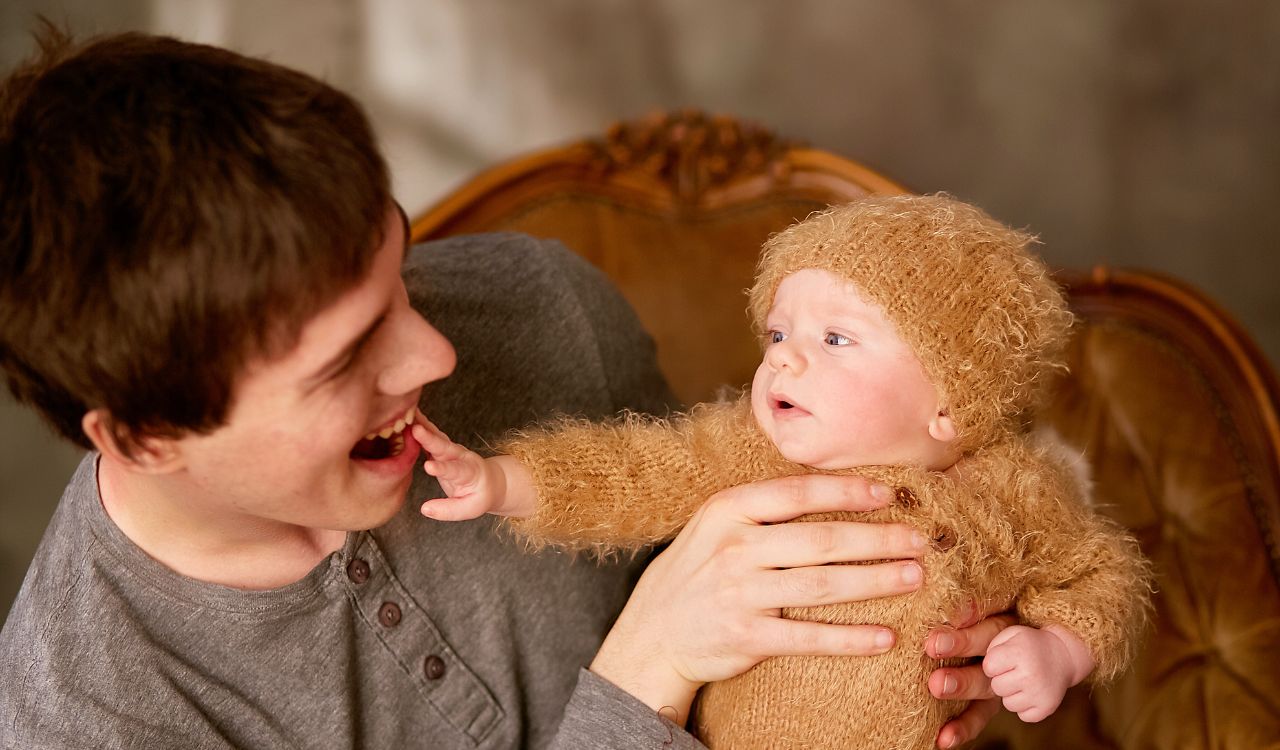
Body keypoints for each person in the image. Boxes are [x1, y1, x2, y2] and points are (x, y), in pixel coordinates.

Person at [0, 29, 1008, 750]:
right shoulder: (87, 712)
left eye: (396, 275)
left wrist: (935, 648)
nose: (433, 354)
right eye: (346, 358)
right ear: (147, 437)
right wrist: (643, 672)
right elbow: (672, 631)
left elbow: (756, 557)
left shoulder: (541, 306)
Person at [411, 195, 1152, 748]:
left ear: (949, 405)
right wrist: (507, 482)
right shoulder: (753, 453)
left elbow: (1100, 574)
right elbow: (637, 470)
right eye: (778, 331)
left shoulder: (1016, 493)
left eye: (835, 338)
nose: (783, 358)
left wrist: (1059, 647)